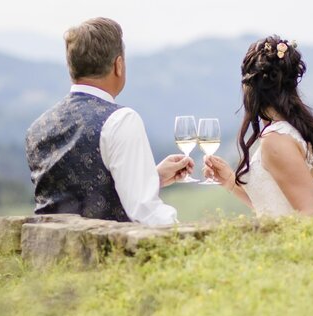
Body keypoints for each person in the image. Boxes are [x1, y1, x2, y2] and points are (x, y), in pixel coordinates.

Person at [25, 17, 192, 225]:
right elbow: (146, 212)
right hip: (106, 254)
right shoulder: (121, 121)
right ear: (118, 65)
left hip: (48, 254)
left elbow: (76, 191)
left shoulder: (37, 128)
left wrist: (151, 179)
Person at [204, 35, 313, 216]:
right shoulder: (293, 130)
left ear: (251, 88)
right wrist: (228, 180)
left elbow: (311, 212)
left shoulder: (276, 140)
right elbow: (274, 207)